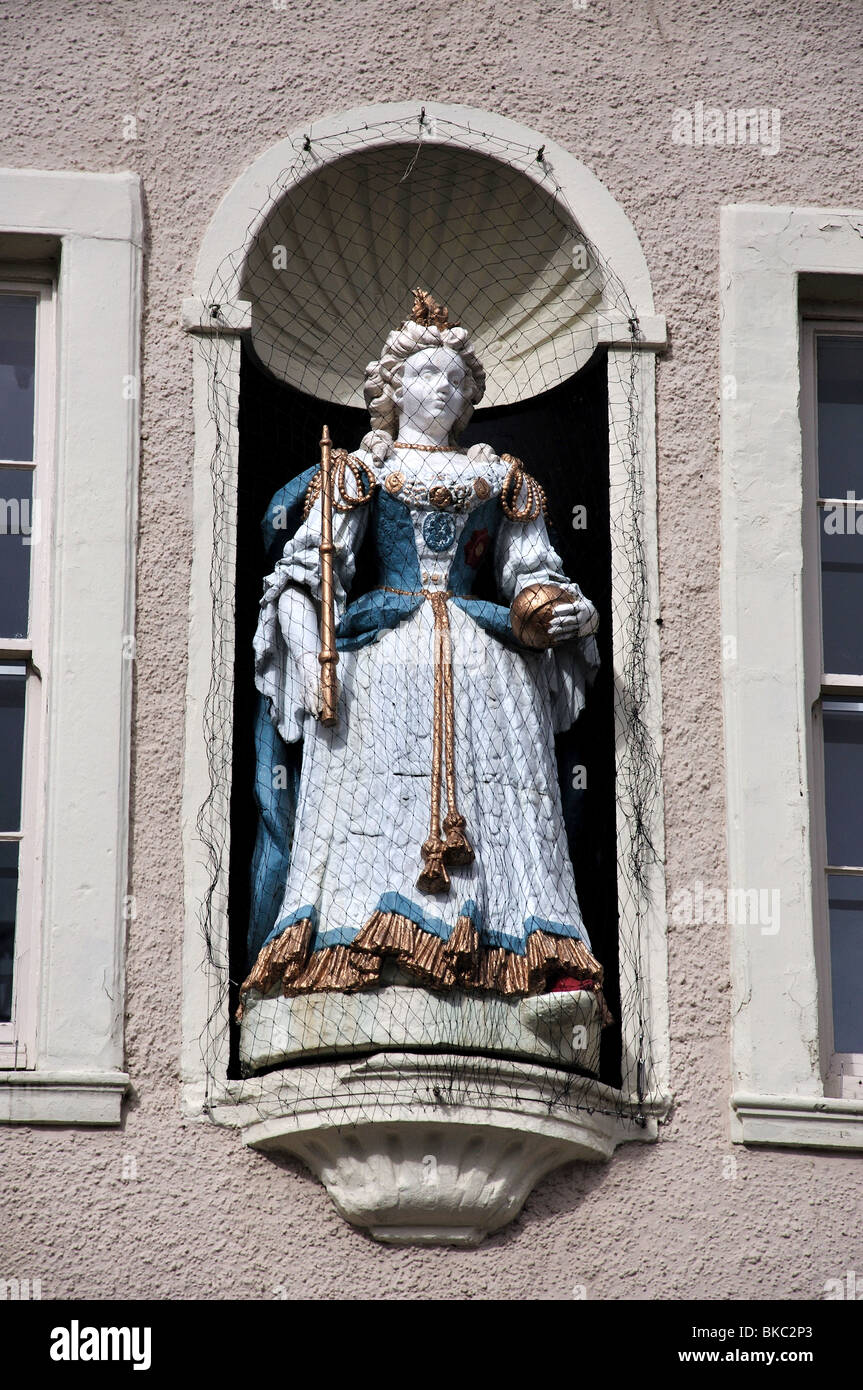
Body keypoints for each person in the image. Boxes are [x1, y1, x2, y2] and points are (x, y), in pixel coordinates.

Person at [240, 289, 604, 1009]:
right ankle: (357, 941)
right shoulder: (360, 472)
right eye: (426, 374)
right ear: (394, 388)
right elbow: (312, 569)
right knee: (373, 798)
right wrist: (311, 634)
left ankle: (509, 949)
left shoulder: (501, 478)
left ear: (470, 397)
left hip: (485, 659)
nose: (442, 387)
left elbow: (531, 574)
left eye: (455, 378)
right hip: (382, 656)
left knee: (502, 808)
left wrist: (566, 612)